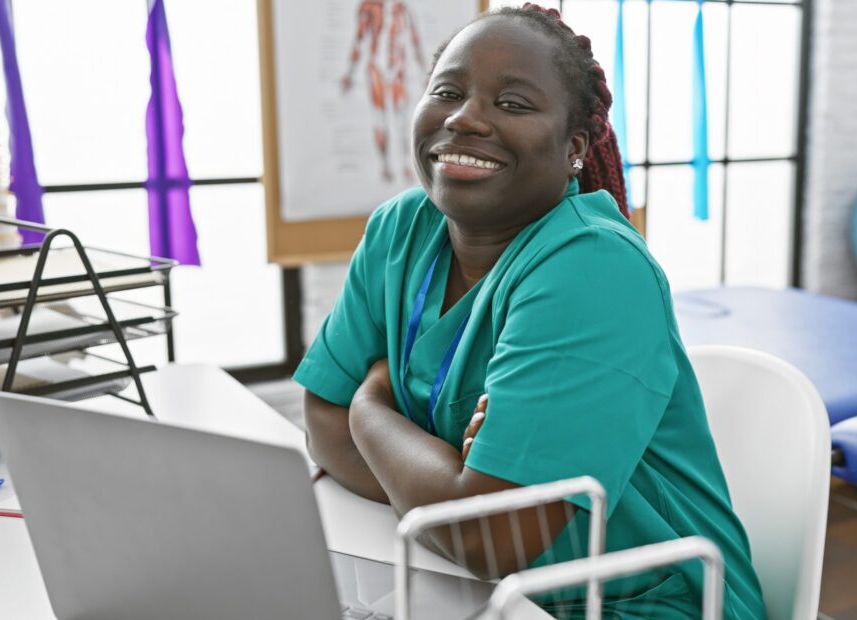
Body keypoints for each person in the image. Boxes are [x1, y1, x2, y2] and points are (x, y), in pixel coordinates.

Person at [295, 5, 766, 618]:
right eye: (447, 92)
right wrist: (445, 487)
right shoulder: (400, 229)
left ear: (574, 149)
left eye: (512, 103)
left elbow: (487, 537)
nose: (464, 117)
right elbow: (320, 425)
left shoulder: (594, 268)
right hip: (478, 587)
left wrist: (368, 405)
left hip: (634, 600)